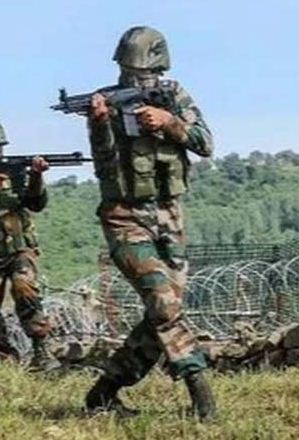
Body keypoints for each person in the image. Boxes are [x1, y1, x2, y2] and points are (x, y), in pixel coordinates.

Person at [83, 26, 216, 421]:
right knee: (162, 302)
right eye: (126, 70)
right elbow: (104, 162)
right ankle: (201, 393)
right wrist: (99, 123)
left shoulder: (174, 95)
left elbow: (205, 143)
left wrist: (169, 122)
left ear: (158, 67)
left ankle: (104, 392)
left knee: (162, 313)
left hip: (169, 216)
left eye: (139, 72)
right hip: (123, 216)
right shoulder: (105, 101)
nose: (132, 78)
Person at [0, 122, 60, 372]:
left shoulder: (13, 172)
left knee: (24, 288)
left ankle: (41, 350)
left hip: (18, 248)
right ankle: (5, 356)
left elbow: (36, 203)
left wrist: (36, 176)